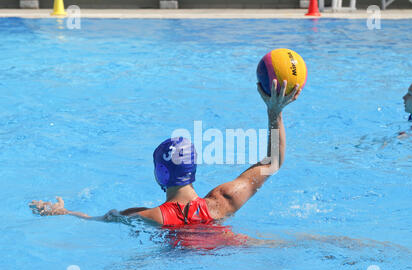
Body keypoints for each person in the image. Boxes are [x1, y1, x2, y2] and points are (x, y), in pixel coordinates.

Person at [29, 79, 302, 228]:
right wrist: (274, 112)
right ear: (192, 168)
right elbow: (273, 162)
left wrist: (62, 212)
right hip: (235, 250)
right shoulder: (224, 200)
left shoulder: (149, 217)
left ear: (160, 173)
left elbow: (97, 218)